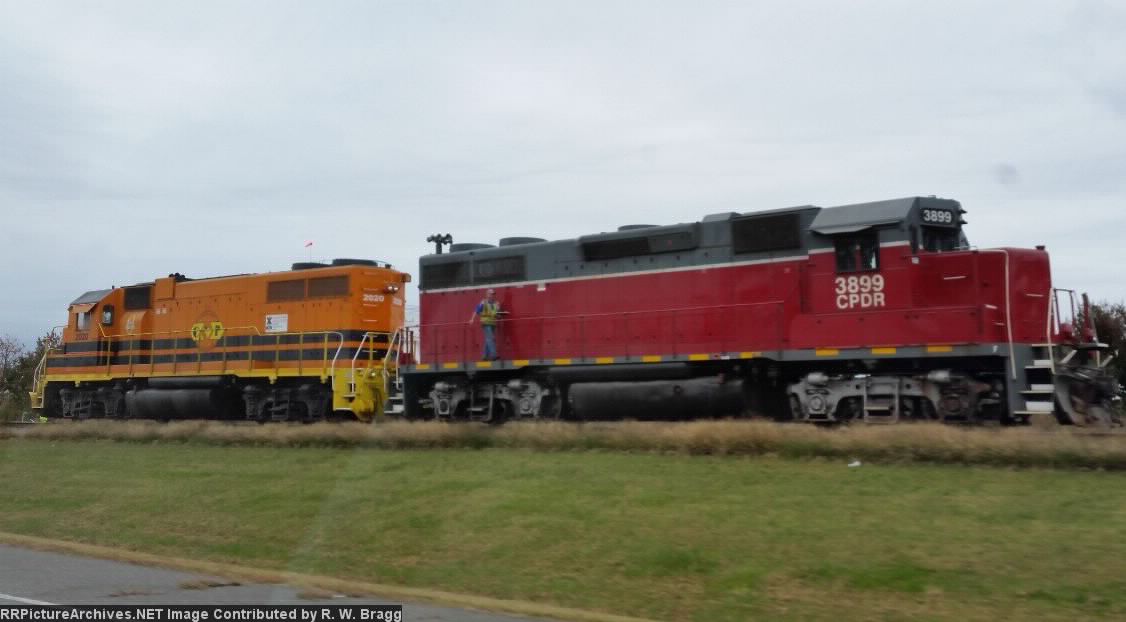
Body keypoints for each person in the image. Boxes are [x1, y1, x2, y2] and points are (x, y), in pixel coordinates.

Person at [469, 288, 502, 360]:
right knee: (491, 338)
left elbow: (497, 314)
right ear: (487, 295)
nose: (492, 295)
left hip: (493, 323)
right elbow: (476, 311)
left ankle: (484, 356)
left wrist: (500, 313)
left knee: (488, 339)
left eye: (493, 294)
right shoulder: (483, 302)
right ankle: (494, 355)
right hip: (486, 323)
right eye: (491, 293)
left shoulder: (496, 303)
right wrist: (472, 319)